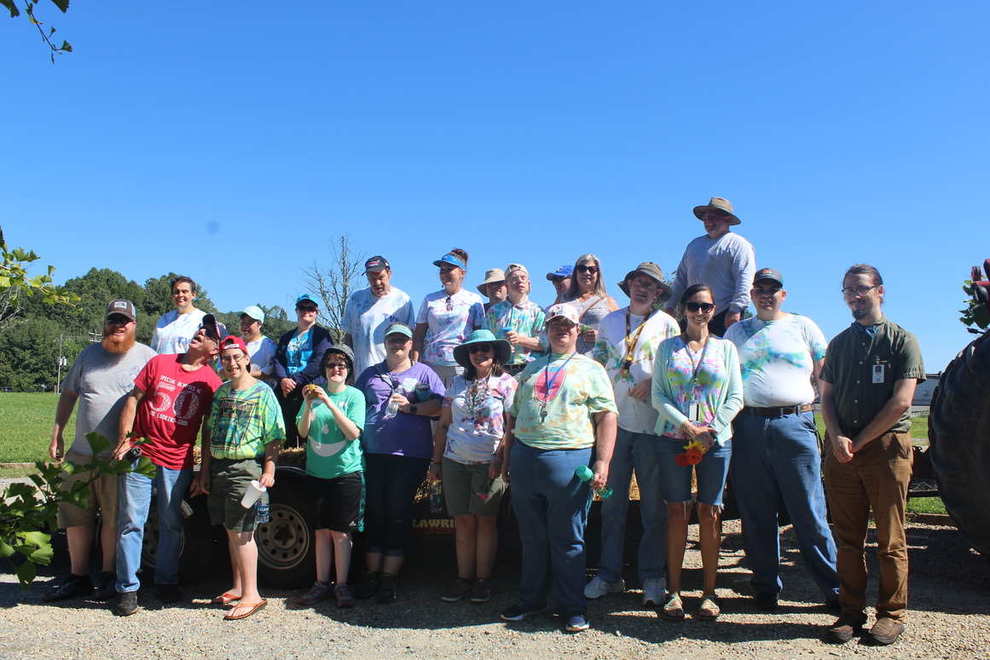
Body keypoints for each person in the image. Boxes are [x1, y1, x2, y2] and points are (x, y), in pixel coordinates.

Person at [723, 268, 840, 612]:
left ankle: (835, 589)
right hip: (748, 426)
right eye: (759, 289)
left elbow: (825, 376)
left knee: (809, 511)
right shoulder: (736, 332)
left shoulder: (803, 326)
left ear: (783, 295)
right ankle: (765, 587)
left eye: (772, 289)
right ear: (751, 295)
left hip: (795, 424)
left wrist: (832, 421)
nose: (766, 295)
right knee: (756, 513)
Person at [820, 265, 924, 646]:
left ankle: (891, 614)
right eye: (848, 290)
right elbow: (826, 397)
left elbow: (902, 401)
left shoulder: (902, 341)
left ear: (880, 291)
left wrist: (859, 441)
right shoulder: (838, 345)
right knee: (848, 538)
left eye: (861, 288)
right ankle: (850, 611)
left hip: (886, 450)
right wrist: (836, 436)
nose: (854, 295)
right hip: (843, 451)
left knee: (891, 538)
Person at [500, 304, 618, 634]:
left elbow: (607, 416)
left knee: (568, 538)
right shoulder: (530, 369)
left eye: (568, 325)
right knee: (531, 537)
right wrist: (508, 461)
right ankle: (531, 599)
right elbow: (513, 418)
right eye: (555, 324)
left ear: (578, 330)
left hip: (570, 459)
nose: (561, 330)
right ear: (546, 330)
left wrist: (602, 461)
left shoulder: (591, 369)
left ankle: (572, 607)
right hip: (526, 459)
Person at [110, 316, 224, 615]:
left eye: (209, 334)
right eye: (200, 329)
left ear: (215, 350)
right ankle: (127, 589)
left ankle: (166, 581)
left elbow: (208, 430)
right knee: (131, 521)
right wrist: (125, 440)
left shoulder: (211, 382)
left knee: (171, 523)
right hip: (142, 455)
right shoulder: (159, 363)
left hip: (177, 461)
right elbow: (133, 400)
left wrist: (204, 471)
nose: (200, 332)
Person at [45, 300, 157, 602]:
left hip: (119, 455)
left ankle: (108, 576)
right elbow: (69, 395)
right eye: (113, 320)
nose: (118, 325)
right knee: (75, 515)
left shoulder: (147, 357)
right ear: (105, 323)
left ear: (134, 325)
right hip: (82, 452)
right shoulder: (88, 355)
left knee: (113, 517)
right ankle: (78, 577)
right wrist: (57, 434)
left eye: (124, 321)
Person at [587, 262, 679, 606]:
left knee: (653, 507)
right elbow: (597, 364)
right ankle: (609, 574)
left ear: (658, 293)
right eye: (638, 283)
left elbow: (677, 369)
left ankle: (652, 576)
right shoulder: (610, 321)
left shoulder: (668, 324)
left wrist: (653, 382)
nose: (643, 288)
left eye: (650, 285)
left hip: (652, 427)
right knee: (612, 503)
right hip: (615, 425)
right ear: (629, 287)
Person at [652, 284, 743, 621]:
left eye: (706, 306)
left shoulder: (726, 348)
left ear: (714, 310)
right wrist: (687, 426)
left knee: (710, 511)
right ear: (684, 309)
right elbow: (658, 396)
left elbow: (736, 396)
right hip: (674, 438)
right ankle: (674, 592)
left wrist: (711, 430)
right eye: (693, 305)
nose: (699, 312)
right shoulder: (667, 349)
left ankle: (708, 592)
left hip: (715, 442)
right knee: (676, 510)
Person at [193, 335, 286, 621]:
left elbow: (274, 435)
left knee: (243, 532)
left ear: (246, 359)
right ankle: (238, 586)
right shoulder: (221, 393)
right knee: (230, 529)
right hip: (220, 468)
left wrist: (269, 470)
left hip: (246, 470)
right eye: (226, 359)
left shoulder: (263, 392)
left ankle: (252, 595)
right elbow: (208, 432)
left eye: (236, 358)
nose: (231, 363)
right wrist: (204, 471)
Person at [354, 323, 445, 603]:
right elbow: (355, 404)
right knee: (374, 512)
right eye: (392, 340)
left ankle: (389, 578)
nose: (398, 344)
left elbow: (440, 406)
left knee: (397, 511)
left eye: (402, 340)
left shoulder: (424, 373)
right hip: (373, 452)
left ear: (410, 344)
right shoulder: (370, 374)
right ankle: (371, 574)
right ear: (385, 343)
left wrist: (411, 407)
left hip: (409, 455)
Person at [430, 330, 516, 604]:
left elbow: (511, 427)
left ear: (495, 353)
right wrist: (436, 461)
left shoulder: (507, 383)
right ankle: (463, 578)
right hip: (455, 461)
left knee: (486, 521)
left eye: (485, 349)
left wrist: (502, 460)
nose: (479, 354)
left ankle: (482, 580)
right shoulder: (456, 383)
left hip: (489, 463)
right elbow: (444, 424)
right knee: (463, 521)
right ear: (467, 355)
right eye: (474, 350)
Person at [291, 345, 366, 609]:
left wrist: (329, 401)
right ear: (324, 370)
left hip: (346, 472)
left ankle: (342, 585)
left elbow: (353, 432)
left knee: (341, 532)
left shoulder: (355, 396)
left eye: (341, 365)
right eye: (331, 365)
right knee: (321, 531)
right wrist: (308, 404)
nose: (336, 369)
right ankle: (321, 583)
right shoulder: (312, 396)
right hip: (316, 473)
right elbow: (302, 431)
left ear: (348, 371)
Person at [666, 197, 756, 336]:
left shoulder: (738, 244)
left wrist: (736, 309)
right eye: (706, 218)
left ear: (727, 218)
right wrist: (670, 306)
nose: (708, 222)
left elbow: (745, 279)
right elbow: (681, 279)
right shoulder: (694, 245)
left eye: (713, 217)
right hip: (693, 312)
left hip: (724, 316)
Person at [413, 249, 485, 387]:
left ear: (462, 273)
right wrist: (415, 365)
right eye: (442, 270)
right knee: (432, 400)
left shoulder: (474, 300)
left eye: (449, 269)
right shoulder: (429, 299)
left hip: (462, 364)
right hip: (431, 365)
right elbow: (419, 335)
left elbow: (479, 335)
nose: (444, 273)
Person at [274, 294, 333, 446]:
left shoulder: (322, 335)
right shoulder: (287, 337)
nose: (306, 311)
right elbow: (278, 359)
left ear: (316, 312)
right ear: (296, 310)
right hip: (287, 390)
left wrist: (294, 380)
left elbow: (320, 361)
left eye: (311, 308)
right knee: (287, 431)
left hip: (310, 390)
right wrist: (283, 379)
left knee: (308, 432)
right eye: (302, 308)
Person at [342, 255, 416, 378]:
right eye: (372, 278)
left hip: (392, 373)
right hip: (360, 372)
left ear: (389, 274)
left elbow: (411, 338)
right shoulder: (355, 299)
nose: (377, 283)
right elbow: (348, 337)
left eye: (381, 277)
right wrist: (348, 370)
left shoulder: (403, 300)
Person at [485, 264, 546, 375]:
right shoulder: (493, 312)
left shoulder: (538, 311)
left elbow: (544, 344)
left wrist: (520, 339)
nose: (519, 281)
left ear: (529, 284)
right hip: (499, 370)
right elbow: (485, 341)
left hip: (529, 370)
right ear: (506, 285)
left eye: (523, 277)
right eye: (514, 278)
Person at [563, 254, 618, 355]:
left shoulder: (608, 301)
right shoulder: (563, 300)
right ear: (575, 272)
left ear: (598, 274)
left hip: (598, 360)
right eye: (582, 269)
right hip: (568, 359)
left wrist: (601, 336)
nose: (587, 272)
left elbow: (620, 332)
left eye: (592, 269)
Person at [150, 275, 208, 354]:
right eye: (177, 292)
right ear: (172, 295)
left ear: (193, 295)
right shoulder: (163, 320)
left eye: (184, 291)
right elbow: (153, 350)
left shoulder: (202, 319)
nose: (180, 295)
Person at [240, 305, 277, 386]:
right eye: (243, 322)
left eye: (249, 323)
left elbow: (270, 372)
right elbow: (220, 370)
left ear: (259, 324)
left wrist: (241, 374)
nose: (244, 326)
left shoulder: (269, 346)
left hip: (260, 391)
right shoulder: (234, 343)